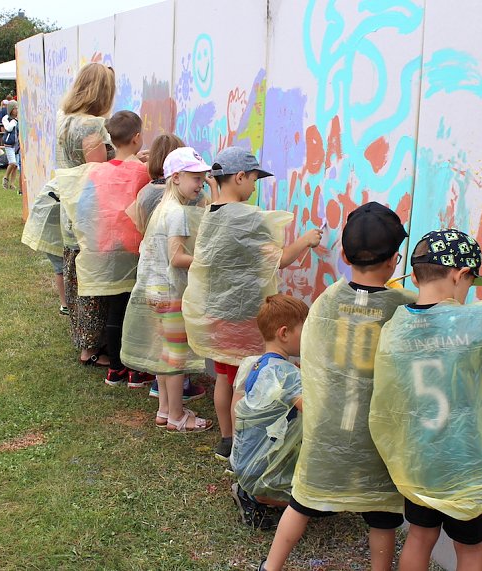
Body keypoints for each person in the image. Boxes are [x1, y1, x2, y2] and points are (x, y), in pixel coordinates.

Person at [369, 229, 482, 571]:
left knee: (419, 536)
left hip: (419, 457)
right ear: (460, 274)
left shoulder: (397, 325)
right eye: (471, 282)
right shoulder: (475, 320)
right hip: (469, 462)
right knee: (471, 550)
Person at [260, 203, 416, 571]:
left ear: (344, 255)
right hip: (375, 432)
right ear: (396, 259)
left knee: (304, 501)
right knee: (382, 511)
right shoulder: (405, 306)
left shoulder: (328, 300)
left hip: (328, 429)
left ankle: (271, 566)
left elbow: (314, 360)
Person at [182, 147, 323, 461]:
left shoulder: (210, 213)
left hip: (217, 311)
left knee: (224, 377)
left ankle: (226, 439)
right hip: (245, 315)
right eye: (254, 180)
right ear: (240, 176)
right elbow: (281, 260)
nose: (255, 188)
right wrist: (307, 240)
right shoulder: (248, 217)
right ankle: (241, 447)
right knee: (243, 382)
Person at [120, 147, 213, 431]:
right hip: (172, 294)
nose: (200, 184)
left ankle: (164, 410)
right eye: (195, 178)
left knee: (166, 352)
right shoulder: (180, 214)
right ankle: (177, 415)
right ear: (175, 177)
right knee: (176, 358)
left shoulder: (163, 208)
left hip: (155, 291)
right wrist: (206, 261)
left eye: (203, 178)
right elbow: (177, 257)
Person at [230, 294, 308, 531]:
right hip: (263, 468)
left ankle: (251, 489)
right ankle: (257, 498)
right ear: (284, 333)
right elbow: (316, 411)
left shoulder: (256, 364)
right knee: (313, 503)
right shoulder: (286, 375)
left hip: (246, 460)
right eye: (306, 331)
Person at [56, 63, 117, 367]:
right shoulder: (91, 126)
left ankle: (86, 343)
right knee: (92, 283)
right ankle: (91, 349)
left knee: (75, 277)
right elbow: (99, 173)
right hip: (88, 215)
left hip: (70, 212)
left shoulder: (65, 121)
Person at [21, 178, 69, 316]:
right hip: (53, 227)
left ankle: (67, 302)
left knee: (63, 268)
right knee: (60, 267)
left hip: (57, 224)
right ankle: (65, 304)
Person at [1, 101, 20, 190]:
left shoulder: (19, 119)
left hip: (17, 144)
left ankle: (12, 184)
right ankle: (5, 177)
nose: (16, 111)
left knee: (15, 166)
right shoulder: (6, 118)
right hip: (9, 144)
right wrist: (14, 121)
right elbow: (8, 128)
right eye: (15, 109)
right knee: (12, 162)